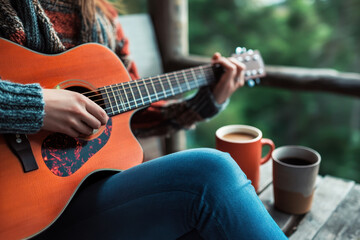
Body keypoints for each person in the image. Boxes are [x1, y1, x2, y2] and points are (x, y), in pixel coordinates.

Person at [0, 0, 287, 239]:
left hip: (91, 198)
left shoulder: (102, 17)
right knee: (211, 172)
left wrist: (206, 101)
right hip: (22, 218)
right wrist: (35, 106)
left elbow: (131, 118)